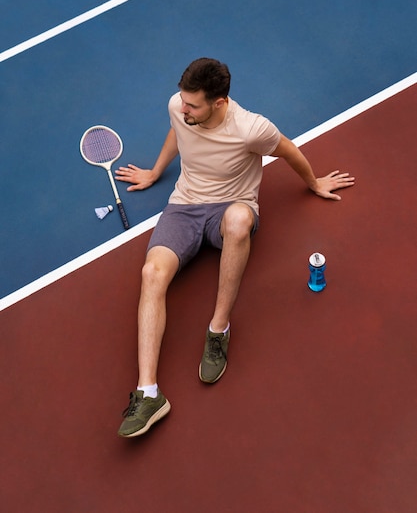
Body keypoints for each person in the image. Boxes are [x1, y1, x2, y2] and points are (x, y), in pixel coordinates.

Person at [115, 58, 355, 438]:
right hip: (184, 207)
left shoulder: (251, 129)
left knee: (240, 222)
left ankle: (218, 329)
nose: (184, 108)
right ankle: (148, 394)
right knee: (151, 273)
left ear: (220, 102)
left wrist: (313, 183)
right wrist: (157, 171)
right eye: (183, 100)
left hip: (232, 207)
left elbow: (288, 150)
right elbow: (178, 130)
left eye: (193, 104)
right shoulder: (180, 107)